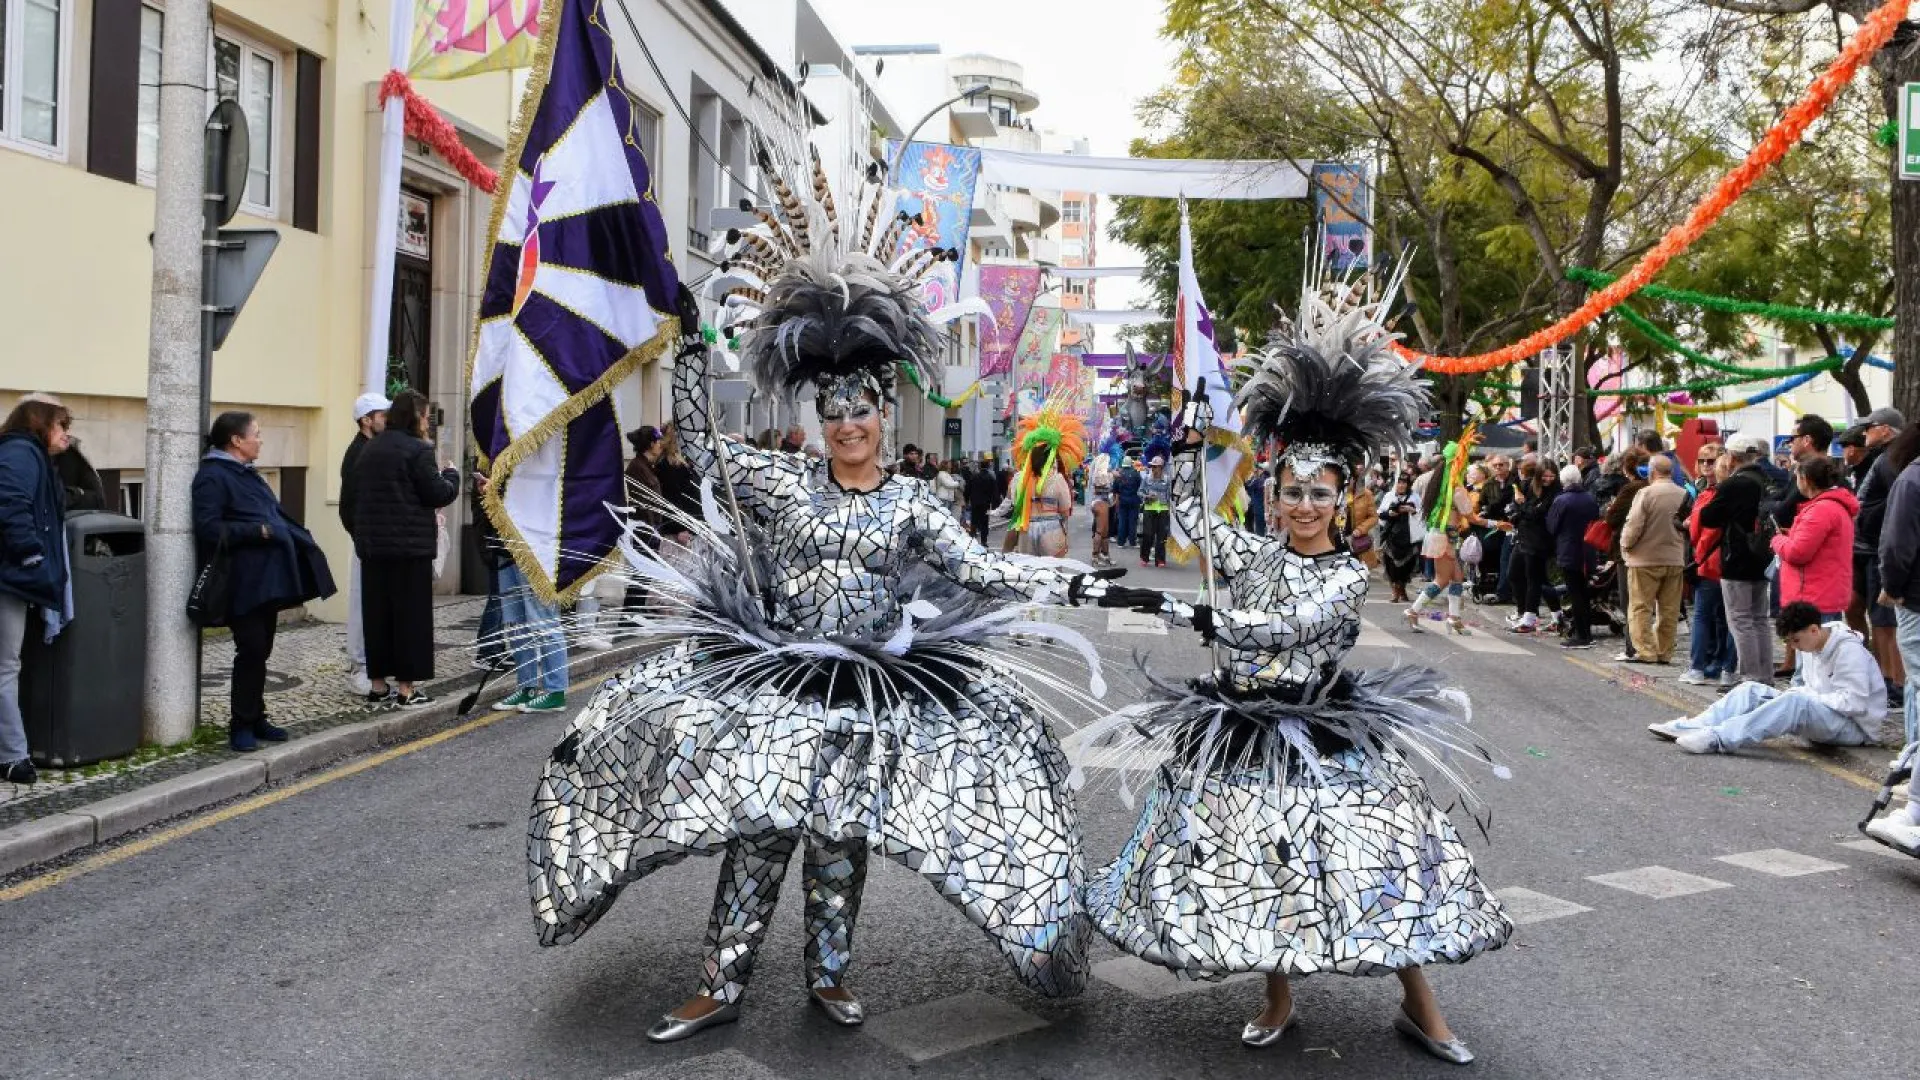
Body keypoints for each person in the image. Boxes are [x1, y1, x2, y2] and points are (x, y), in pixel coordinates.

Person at [526, 160, 1121, 1045]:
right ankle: (718, 983)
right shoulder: (776, 477)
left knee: (840, 840)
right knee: (761, 829)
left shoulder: (917, 503)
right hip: (781, 680)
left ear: (884, 411)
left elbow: (982, 570)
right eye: (833, 410)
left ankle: (831, 976)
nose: (847, 424)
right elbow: (699, 440)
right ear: (817, 414)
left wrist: (1073, 579)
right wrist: (690, 349)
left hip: (869, 692)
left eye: (862, 410)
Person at [1091, 300, 1509, 1064]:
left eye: (1320, 493)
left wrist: (1204, 619)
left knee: (1370, 863)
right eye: (1292, 491)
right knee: (1267, 863)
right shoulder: (1255, 555)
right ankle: (1278, 998)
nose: (1305, 506)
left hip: (1324, 734)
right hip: (1243, 732)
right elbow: (1195, 525)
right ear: (1274, 493)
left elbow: (1288, 631)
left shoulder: (1346, 578)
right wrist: (1185, 451)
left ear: (1340, 495)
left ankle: (1423, 1009)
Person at [193, 411, 336, 751]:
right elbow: (209, 528)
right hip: (242, 581)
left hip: (266, 580)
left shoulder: (246, 473)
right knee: (252, 649)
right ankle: (240, 723)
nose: (261, 439)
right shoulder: (213, 477)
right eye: (256, 434)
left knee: (262, 649)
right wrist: (257, 531)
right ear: (236, 441)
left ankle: (256, 717)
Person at [1649, 602, 1883, 754]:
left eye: (1795, 641)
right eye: (1789, 642)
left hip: (1855, 728)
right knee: (1751, 688)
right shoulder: (1812, 645)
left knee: (1795, 701)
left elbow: (1855, 704)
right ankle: (1696, 724)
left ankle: (1718, 738)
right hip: (1824, 713)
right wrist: (1803, 694)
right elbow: (1805, 689)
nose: (1794, 648)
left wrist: (1807, 696)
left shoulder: (1849, 652)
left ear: (1814, 630)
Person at [350, 390, 460, 709]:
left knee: (378, 618)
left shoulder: (370, 448)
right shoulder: (418, 450)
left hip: (373, 549)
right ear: (415, 417)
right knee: (409, 620)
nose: (427, 423)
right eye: (425, 416)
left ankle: (378, 686)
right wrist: (451, 474)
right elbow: (437, 493)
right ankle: (406, 690)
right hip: (409, 550)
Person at [0, 398, 73, 783]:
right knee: (6, 666)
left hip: (13, 576)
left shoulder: (33, 455)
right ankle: (12, 757)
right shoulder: (19, 452)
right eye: (61, 425)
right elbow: (11, 503)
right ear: (39, 423)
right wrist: (31, 558)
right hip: (9, 576)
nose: (67, 433)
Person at [481, 470, 570, 715]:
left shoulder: (540, 456)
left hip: (536, 549)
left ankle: (555, 691)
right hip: (506, 548)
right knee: (517, 624)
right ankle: (527, 686)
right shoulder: (506, 455)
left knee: (544, 621)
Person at [1701, 434, 1779, 686]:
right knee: (1759, 619)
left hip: (1737, 557)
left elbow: (1709, 517)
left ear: (1732, 457)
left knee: (1740, 619)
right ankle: (1765, 675)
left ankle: (1750, 676)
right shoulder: (1770, 479)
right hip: (1763, 555)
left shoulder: (1734, 485)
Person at [1848, 408, 1906, 709]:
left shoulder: (1891, 460)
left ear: (1885, 430)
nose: (1864, 433)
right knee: (1855, 607)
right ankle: (1876, 673)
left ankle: (1893, 681)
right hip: (1864, 548)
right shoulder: (1881, 458)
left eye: (1869, 427)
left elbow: (1898, 503)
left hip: (1875, 549)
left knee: (1883, 620)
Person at [338, 392, 389, 697]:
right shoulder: (358, 453)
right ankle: (360, 668)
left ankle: (373, 666)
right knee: (361, 607)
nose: (387, 420)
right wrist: (363, 537)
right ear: (366, 420)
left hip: (375, 542)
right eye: (382, 415)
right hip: (366, 543)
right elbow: (350, 505)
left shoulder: (372, 449)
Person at [1620, 455, 1688, 665]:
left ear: (1651, 472)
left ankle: (1646, 651)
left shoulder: (1646, 493)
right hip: (1674, 558)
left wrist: (1625, 545)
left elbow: (1634, 525)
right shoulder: (1683, 494)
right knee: (1669, 610)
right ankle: (1664, 651)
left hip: (1644, 559)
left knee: (1641, 607)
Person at [1680, 445, 1738, 688]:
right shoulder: (1701, 489)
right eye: (1702, 460)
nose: (1706, 465)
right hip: (1726, 561)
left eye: (1711, 461)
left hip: (1711, 561)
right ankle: (1724, 668)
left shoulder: (1710, 495)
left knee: (1707, 616)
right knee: (1727, 618)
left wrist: (1693, 527)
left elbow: (1698, 532)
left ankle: (1700, 667)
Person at [1772, 455, 1856, 622]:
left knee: (1814, 646)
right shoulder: (1834, 506)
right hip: (1826, 592)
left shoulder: (1820, 511)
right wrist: (1792, 535)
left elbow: (1797, 553)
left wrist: (1777, 540)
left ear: (1805, 480)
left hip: (1812, 596)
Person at [1878, 419, 1920, 749]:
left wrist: (1892, 587)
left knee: (1917, 684)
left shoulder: (1911, 480)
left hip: (1915, 597)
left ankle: (1913, 765)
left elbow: (1896, 546)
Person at [1404, 443, 1473, 635]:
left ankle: (1454, 617)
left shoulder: (1438, 481)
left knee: (1457, 578)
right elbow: (1471, 515)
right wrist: (1495, 524)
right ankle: (1413, 610)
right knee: (1442, 580)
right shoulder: (1454, 488)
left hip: (1441, 534)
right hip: (1444, 536)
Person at [1547, 463, 1601, 649]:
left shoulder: (1561, 500)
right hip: (1588, 550)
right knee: (1583, 593)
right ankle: (1586, 633)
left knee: (1575, 594)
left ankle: (1581, 635)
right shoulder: (1589, 498)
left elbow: (1552, 526)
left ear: (1563, 481)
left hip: (1569, 550)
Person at [1506, 459, 1561, 633]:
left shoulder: (1555, 492)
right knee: (1517, 574)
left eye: (1552, 476)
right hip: (1523, 536)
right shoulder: (1529, 486)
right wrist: (1518, 511)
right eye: (1545, 476)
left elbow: (1537, 513)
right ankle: (1557, 615)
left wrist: (1521, 508)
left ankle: (1529, 617)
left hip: (1539, 540)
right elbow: (1515, 507)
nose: (1548, 479)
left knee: (1534, 578)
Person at [1379, 471, 1423, 602]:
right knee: (1391, 566)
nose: (1401, 485)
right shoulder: (1389, 496)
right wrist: (1390, 513)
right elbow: (1380, 514)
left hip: (1409, 537)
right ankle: (1395, 592)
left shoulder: (1415, 497)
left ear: (1409, 485)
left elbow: (1422, 515)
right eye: (1399, 482)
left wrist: (1412, 510)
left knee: (1406, 566)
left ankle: (1402, 588)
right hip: (1392, 536)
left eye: (1404, 483)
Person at [1137, 449, 1172, 568]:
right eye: (1152, 466)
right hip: (1149, 510)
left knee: (1162, 536)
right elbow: (1139, 492)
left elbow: (1171, 495)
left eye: (1156, 467)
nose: (1153, 469)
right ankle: (1144, 558)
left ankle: (1160, 560)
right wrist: (1146, 496)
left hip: (1163, 510)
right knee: (1148, 534)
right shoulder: (1146, 478)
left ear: (1161, 468)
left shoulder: (1167, 480)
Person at [1347, 472, 1379, 571]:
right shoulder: (1338, 493)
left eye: (1350, 478)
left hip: (1358, 540)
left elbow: (1374, 517)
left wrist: (1360, 529)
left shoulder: (1366, 494)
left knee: (1359, 573)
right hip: (1339, 540)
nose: (1348, 481)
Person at [965, 454, 999, 542]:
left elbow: (968, 489)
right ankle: (984, 541)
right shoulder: (991, 477)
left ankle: (972, 539)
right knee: (984, 522)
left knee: (974, 521)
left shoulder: (974, 477)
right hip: (986, 503)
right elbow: (995, 492)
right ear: (988, 466)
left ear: (980, 467)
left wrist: (966, 499)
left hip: (975, 502)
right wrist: (995, 504)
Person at [1113, 454, 1142, 548]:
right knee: (1132, 522)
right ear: (1131, 464)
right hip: (1134, 500)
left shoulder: (1118, 474)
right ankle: (1132, 542)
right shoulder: (1136, 473)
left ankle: (1120, 543)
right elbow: (1140, 487)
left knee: (1122, 521)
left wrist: (1116, 502)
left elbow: (1115, 490)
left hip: (1122, 500)